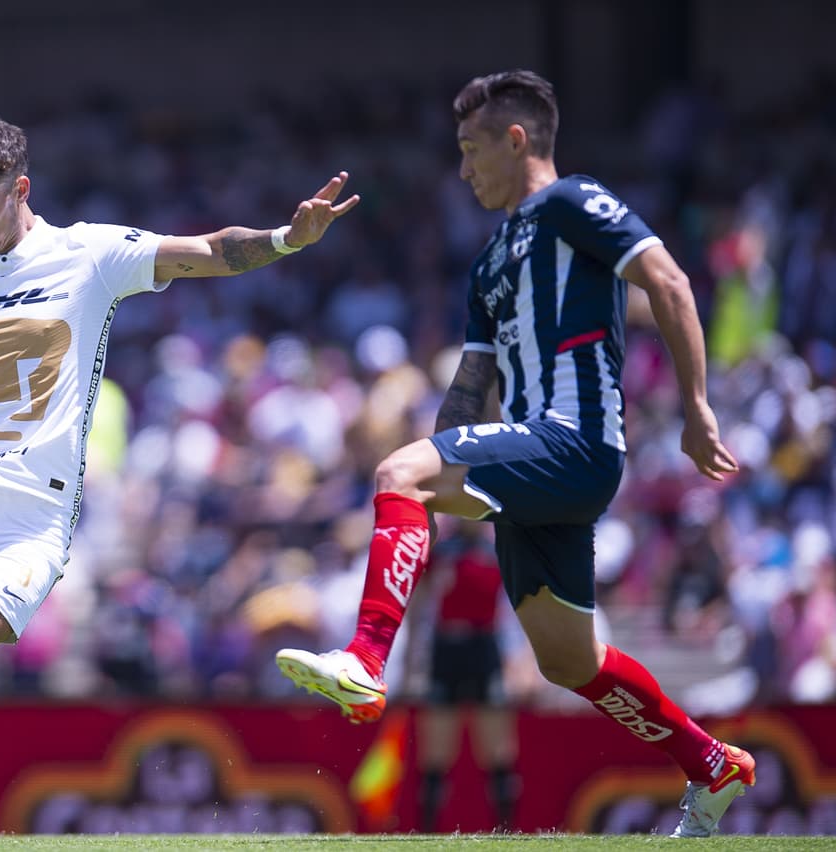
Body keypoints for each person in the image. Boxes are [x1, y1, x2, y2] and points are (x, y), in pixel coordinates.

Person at [0, 114, 358, 840]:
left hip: (30, 514)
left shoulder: (90, 254)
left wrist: (286, 239)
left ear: (20, 189)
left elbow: (208, 251)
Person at [275, 70, 754, 838]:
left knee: (396, 471)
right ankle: (711, 765)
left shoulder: (570, 203)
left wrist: (697, 408)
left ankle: (367, 661)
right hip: (540, 464)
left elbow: (667, 279)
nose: (463, 170)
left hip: (577, 438)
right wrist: (437, 484)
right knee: (570, 662)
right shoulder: (491, 260)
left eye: (472, 150)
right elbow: (470, 389)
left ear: (518, 139)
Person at [412, 519, 518, 833]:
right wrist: (410, 661)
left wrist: (520, 660)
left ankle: (506, 831)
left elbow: (515, 608)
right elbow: (421, 604)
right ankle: (428, 832)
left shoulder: (499, 550)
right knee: (436, 750)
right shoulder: (441, 550)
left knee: (498, 748)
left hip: (485, 648)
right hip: (447, 649)